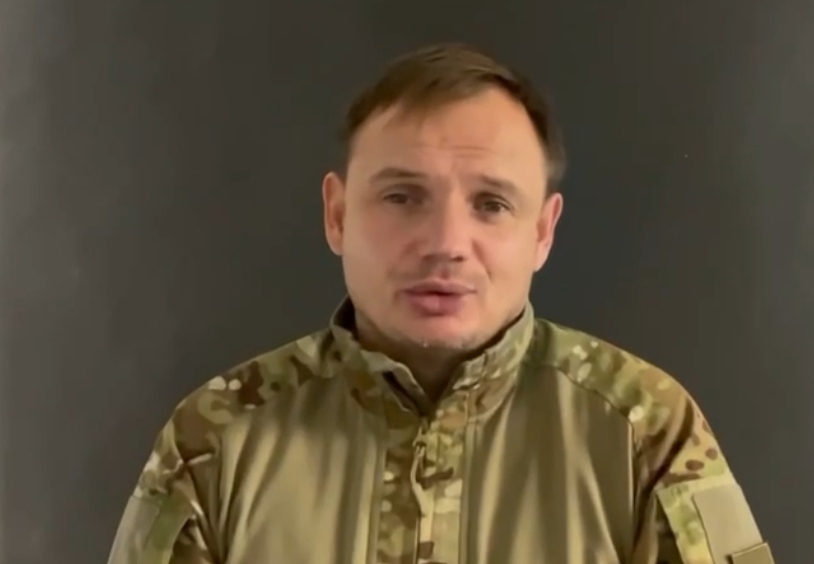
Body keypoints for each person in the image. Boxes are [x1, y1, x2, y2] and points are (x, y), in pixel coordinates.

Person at [106, 42, 775, 564]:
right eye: (402, 197)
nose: (446, 243)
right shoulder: (215, 438)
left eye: (491, 204)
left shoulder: (644, 430)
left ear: (543, 232)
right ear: (337, 214)